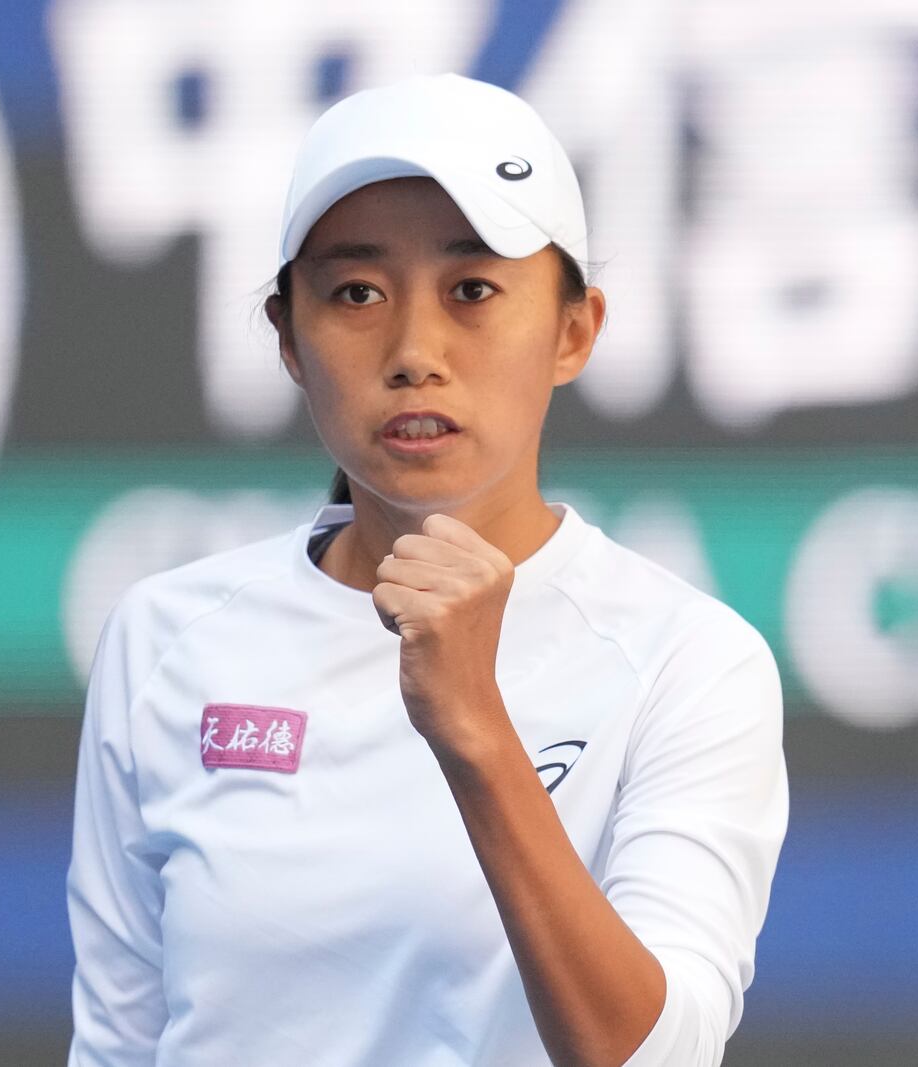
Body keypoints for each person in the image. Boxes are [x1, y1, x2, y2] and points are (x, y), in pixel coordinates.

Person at [65, 72, 788, 1067]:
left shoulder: (688, 660)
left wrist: (475, 729)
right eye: (356, 292)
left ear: (574, 329)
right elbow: (116, 1043)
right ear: (287, 336)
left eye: (473, 290)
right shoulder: (167, 635)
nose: (413, 350)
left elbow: (660, 1054)